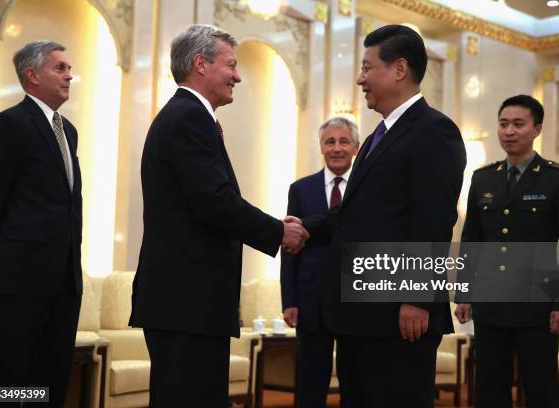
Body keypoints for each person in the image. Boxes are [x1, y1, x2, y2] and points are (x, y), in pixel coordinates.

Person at [129, 24, 309, 407]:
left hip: (188, 302)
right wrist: (278, 230)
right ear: (200, 64)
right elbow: (214, 201)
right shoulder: (189, 118)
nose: (238, 76)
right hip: (186, 300)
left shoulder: (187, 116)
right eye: (231, 65)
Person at [299, 25, 466, 407]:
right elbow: (358, 213)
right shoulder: (380, 135)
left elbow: (433, 220)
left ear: (399, 69)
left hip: (398, 315)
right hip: (363, 313)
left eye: (366, 67)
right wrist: (304, 227)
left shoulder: (433, 131)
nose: (360, 79)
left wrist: (417, 299)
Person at [454, 95, 559, 408]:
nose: (509, 131)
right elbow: (472, 239)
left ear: (537, 128)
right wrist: (464, 292)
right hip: (491, 303)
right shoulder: (483, 178)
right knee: (489, 387)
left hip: (537, 306)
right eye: (503, 124)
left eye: (518, 124)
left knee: (540, 388)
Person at [0, 41, 82, 407]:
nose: (70, 75)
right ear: (32, 75)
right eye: (60, 68)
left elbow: (71, 204)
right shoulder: (11, 124)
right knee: (10, 377)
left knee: (51, 377)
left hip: (64, 278)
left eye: (70, 68)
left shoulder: (67, 130)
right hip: (21, 277)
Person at [281, 117, 359, 407]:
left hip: (357, 299)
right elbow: (290, 247)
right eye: (330, 142)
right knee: (311, 382)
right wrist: (289, 299)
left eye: (343, 141)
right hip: (311, 299)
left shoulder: (365, 188)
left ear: (356, 147)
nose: (336, 148)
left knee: (356, 381)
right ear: (321, 147)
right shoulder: (300, 189)